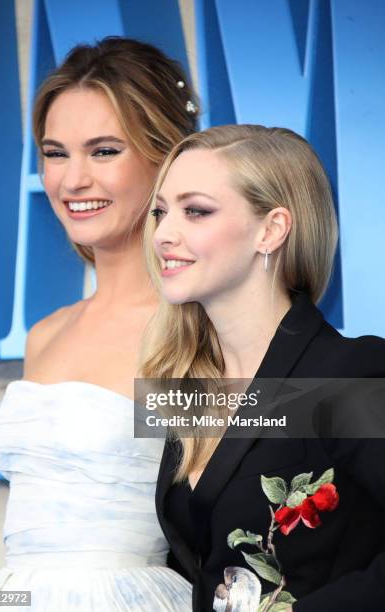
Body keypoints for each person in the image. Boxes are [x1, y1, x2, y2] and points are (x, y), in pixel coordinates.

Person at [0, 37, 198, 611]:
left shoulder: (194, 331)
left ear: (165, 157)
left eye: (103, 151)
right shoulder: (45, 335)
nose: (72, 180)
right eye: (55, 153)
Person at [141, 124, 385, 611]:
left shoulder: (350, 372)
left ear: (271, 230)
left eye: (196, 211)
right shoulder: (190, 388)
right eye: (160, 212)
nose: (163, 234)